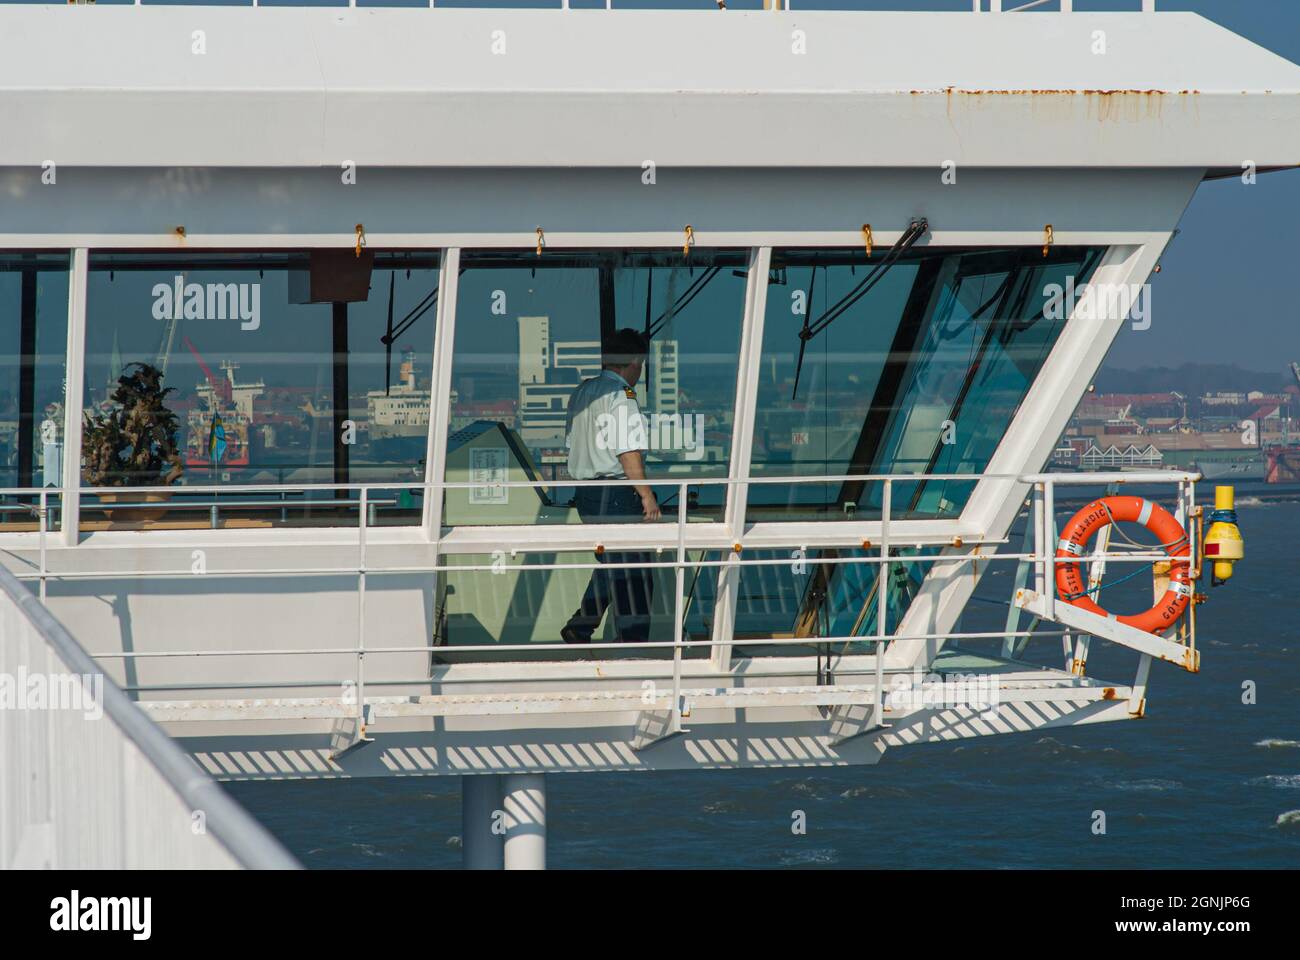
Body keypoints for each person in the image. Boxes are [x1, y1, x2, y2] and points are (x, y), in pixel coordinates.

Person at [560, 328, 661, 645]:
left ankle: (582, 623)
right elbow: (628, 452)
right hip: (615, 493)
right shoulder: (621, 396)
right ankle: (632, 638)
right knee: (634, 569)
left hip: (586, 494)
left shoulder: (583, 391)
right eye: (641, 365)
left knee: (614, 562)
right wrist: (647, 496)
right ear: (634, 360)